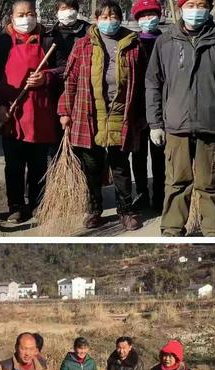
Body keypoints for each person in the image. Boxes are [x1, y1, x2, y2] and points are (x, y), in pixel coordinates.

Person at [145, 0, 215, 236]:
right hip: (176, 126)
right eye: (190, 4)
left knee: (210, 185)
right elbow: (153, 84)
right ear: (181, 8)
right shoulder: (166, 41)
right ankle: (172, 231)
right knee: (176, 184)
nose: (195, 10)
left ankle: (213, 232)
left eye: (201, 4)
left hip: (211, 126)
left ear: (209, 8)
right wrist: (155, 123)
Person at [58, 0, 146, 231]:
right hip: (89, 113)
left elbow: (145, 83)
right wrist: (65, 111)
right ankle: (94, 209)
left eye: (113, 16)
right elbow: (71, 81)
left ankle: (126, 210)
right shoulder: (83, 45)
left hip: (121, 113)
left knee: (120, 166)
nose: (109, 21)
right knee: (92, 167)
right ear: (96, 19)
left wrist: (144, 115)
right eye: (104, 17)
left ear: (121, 17)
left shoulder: (133, 45)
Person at [0, 0, 62, 224]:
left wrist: (47, 76)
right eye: (21, 14)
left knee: (39, 163)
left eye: (30, 14)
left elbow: (65, 69)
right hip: (12, 114)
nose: (25, 19)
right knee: (14, 164)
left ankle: (37, 203)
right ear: (12, 16)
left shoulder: (48, 41)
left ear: (36, 15)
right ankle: (15, 205)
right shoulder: (2, 43)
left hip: (41, 113)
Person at [130, 0, 165, 213]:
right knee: (139, 154)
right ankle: (142, 194)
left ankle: (160, 196)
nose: (148, 18)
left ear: (159, 15)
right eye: (143, 15)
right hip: (137, 109)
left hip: (162, 109)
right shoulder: (132, 43)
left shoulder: (168, 40)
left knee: (160, 155)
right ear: (137, 19)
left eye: (152, 13)